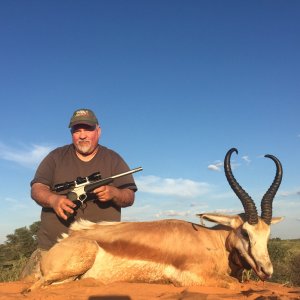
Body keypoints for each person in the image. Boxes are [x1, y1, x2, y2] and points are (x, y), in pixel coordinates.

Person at [20, 108, 138, 280]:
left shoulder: (114, 159)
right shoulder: (55, 157)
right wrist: (54, 200)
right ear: (72, 133)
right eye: (77, 130)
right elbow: (37, 188)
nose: (82, 135)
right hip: (53, 248)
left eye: (88, 129)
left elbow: (129, 196)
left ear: (98, 131)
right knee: (28, 288)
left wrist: (114, 193)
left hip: (103, 254)